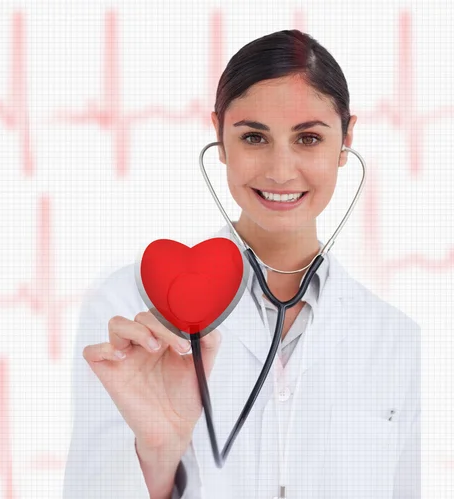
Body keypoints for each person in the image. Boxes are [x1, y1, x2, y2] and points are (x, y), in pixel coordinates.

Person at [62, 29, 421, 499]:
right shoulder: (130, 311)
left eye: (308, 138)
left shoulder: (397, 342)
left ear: (346, 139)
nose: (280, 170)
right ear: (219, 136)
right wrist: (157, 450)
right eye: (254, 136)